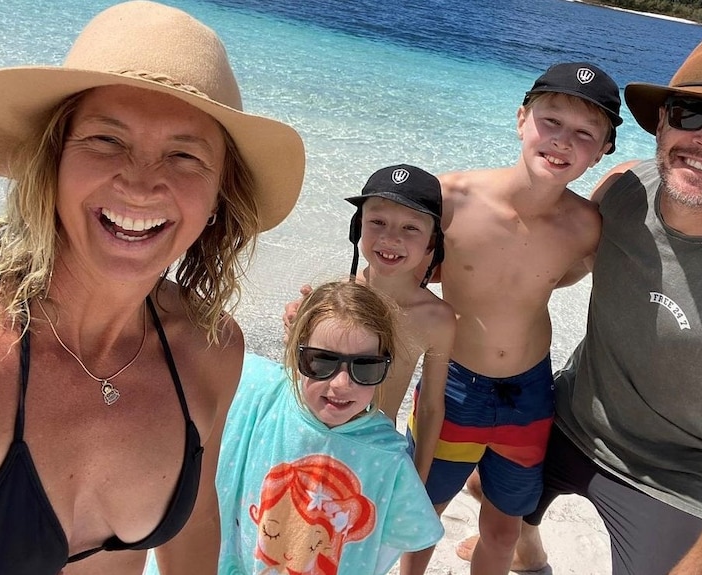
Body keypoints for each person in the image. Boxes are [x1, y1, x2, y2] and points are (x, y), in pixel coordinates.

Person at [0, 2, 304, 575]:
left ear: (218, 198)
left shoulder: (208, 351)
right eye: (106, 140)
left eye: (184, 154)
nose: (141, 182)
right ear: (52, 160)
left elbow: (193, 520)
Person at [457, 25, 702, 575]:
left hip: (672, 475)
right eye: (691, 111)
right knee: (480, 482)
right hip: (566, 417)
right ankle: (531, 557)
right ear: (663, 123)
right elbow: (543, 264)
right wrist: (378, 299)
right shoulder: (623, 190)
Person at [399, 62, 624, 575]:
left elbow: (564, 274)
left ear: (600, 151)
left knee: (504, 529)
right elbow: (395, 268)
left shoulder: (584, 225)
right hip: (452, 384)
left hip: (529, 393)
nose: (563, 141)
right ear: (522, 117)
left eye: (584, 134)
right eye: (551, 121)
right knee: (422, 514)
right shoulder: (450, 199)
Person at [216, 281, 444, 574]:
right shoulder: (258, 394)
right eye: (321, 361)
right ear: (296, 354)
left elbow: (394, 541)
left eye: (364, 367)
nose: (341, 384)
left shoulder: (385, 456)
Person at [344, 164, 456, 482]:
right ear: (357, 228)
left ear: (431, 243)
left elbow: (431, 406)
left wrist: (418, 478)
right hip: (316, 443)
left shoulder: (437, 318)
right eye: (377, 222)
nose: (391, 238)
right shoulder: (334, 297)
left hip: (377, 454)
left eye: (411, 228)